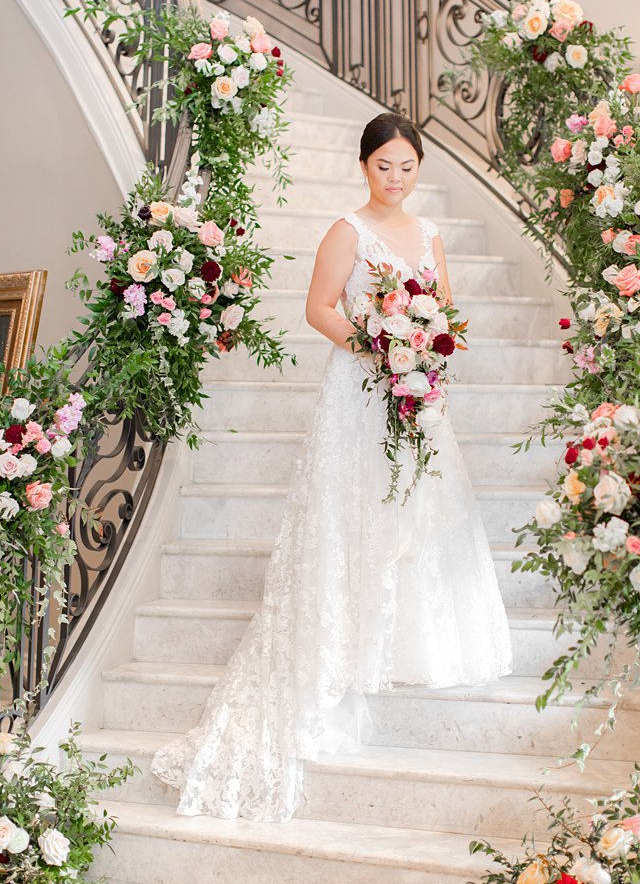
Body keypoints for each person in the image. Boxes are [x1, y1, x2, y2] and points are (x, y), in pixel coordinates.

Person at [151, 111, 513, 822]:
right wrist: (380, 345)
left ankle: (411, 644)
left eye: (408, 166)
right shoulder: (348, 230)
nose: (397, 177)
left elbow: (443, 310)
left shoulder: (431, 234)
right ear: (365, 165)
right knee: (357, 513)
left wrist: (425, 345)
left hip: (418, 391)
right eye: (385, 166)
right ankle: (339, 649)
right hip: (361, 388)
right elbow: (320, 308)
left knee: (421, 515)